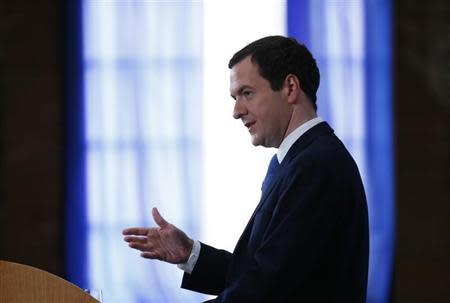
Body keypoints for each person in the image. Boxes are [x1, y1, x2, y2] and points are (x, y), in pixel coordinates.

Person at [122, 35, 369, 302]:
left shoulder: (316, 166)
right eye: (235, 97)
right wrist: (191, 254)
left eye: (247, 93)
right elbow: (260, 273)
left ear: (290, 87)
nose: (236, 111)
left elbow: (268, 289)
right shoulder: (292, 161)